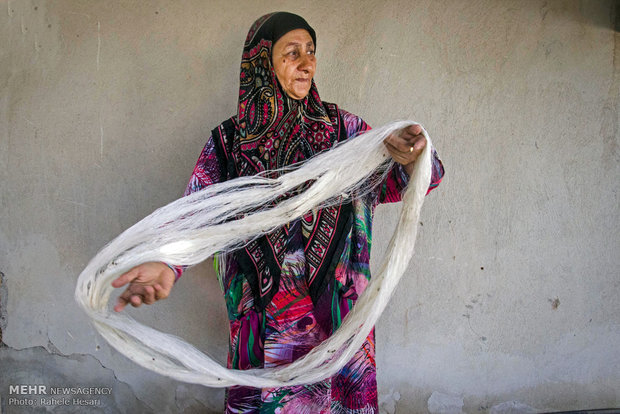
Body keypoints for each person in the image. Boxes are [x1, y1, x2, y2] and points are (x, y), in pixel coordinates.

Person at [112, 12, 444, 413]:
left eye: (311, 52)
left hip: (339, 320)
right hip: (263, 321)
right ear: (262, 61)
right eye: (292, 53)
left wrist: (411, 156)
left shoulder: (348, 133)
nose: (307, 63)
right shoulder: (230, 143)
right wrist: (167, 266)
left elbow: (416, 179)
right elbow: (196, 212)